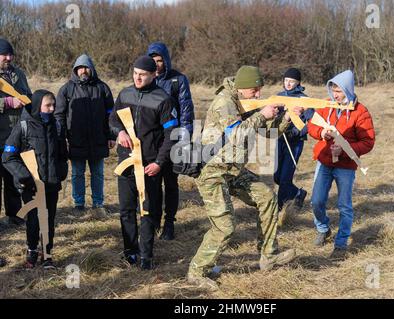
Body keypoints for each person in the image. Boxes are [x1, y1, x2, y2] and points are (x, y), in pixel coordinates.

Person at [187, 66, 300, 290]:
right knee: (225, 226)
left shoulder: (243, 100)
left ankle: (268, 255)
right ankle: (197, 272)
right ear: (242, 88)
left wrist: (287, 117)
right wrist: (261, 115)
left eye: (260, 91)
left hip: (233, 170)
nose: (258, 95)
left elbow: (270, 132)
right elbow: (237, 134)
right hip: (213, 173)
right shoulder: (225, 103)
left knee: (267, 197)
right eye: (254, 91)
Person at [109, 56, 178, 270]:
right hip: (127, 163)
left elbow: (172, 134)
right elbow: (113, 119)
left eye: (143, 75)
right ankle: (130, 251)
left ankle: (146, 256)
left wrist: (159, 162)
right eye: (135, 73)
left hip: (150, 165)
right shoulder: (125, 94)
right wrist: (119, 131)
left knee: (147, 210)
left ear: (154, 75)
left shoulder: (163, 99)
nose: (137, 78)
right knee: (126, 210)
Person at [308, 70, 375, 259]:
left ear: (348, 89)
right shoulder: (326, 106)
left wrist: (345, 149)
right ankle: (323, 228)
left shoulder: (360, 112)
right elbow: (312, 125)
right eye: (333, 90)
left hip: (345, 167)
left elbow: (368, 142)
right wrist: (322, 133)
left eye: (339, 91)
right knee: (316, 201)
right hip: (324, 161)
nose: (335, 95)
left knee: (344, 205)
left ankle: (341, 243)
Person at [2, 90, 68, 269]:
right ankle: (32, 250)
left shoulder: (57, 126)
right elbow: (8, 156)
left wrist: (61, 172)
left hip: (51, 184)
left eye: (53, 105)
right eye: (48, 105)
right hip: (30, 185)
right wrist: (24, 176)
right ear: (39, 106)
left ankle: (47, 255)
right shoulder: (23, 126)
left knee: (49, 219)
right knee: (34, 220)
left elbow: (62, 154)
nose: (52, 109)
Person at [55, 54, 115, 213]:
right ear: (75, 70)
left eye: (86, 67)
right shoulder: (66, 89)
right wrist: (62, 138)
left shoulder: (102, 87)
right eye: (80, 68)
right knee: (77, 174)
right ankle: (79, 204)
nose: (83, 70)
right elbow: (59, 115)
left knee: (98, 174)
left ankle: (98, 204)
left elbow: (111, 114)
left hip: (99, 139)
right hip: (76, 140)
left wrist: (111, 136)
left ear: (92, 69)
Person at [147, 42, 195, 240]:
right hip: (153, 140)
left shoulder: (178, 80)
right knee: (154, 183)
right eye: (153, 61)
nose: (156, 64)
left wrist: (184, 138)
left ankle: (169, 222)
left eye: (159, 61)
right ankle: (154, 220)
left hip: (174, 138)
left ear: (165, 60)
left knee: (171, 182)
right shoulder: (147, 80)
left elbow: (186, 110)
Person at [274, 68, 314, 226]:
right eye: (286, 80)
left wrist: (299, 131)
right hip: (280, 139)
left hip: (295, 142)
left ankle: (279, 209)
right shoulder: (279, 96)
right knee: (277, 176)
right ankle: (298, 193)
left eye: (291, 81)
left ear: (298, 82)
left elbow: (311, 120)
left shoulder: (304, 99)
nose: (288, 83)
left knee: (284, 178)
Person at [0, 38, 31, 226]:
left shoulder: (19, 74)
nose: (9, 58)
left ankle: (14, 215)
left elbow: (28, 94)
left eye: (11, 55)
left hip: (15, 135)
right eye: (4, 55)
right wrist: (7, 103)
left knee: (13, 177)